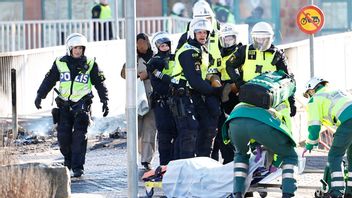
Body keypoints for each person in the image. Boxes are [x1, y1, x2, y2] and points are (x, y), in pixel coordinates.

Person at [34, 33, 109, 177]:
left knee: (79, 137)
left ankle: (77, 167)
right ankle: (67, 161)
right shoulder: (60, 62)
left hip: (82, 106)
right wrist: (39, 95)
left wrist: (105, 100)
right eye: (75, 48)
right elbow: (49, 80)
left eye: (81, 48)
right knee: (63, 137)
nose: (78, 51)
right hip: (64, 106)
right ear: (69, 48)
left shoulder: (91, 63)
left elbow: (100, 83)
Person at [172, 17, 228, 158]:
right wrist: (216, 91)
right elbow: (195, 80)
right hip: (182, 95)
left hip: (195, 94)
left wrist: (214, 80)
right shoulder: (188, 52)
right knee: (188, 131)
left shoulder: (201, 50)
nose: (203, 35)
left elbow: (204, 74)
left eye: (205, 32)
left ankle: (203, 163)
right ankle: (183, 167)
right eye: (199, 32)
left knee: (208, 127)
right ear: (192, 33)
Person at [222, 100, 298, 197]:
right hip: (262, 123)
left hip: (235, 121)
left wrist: (256, 145)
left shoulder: (252, 93)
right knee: (290, 156)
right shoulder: (282, 101)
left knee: (241, 156)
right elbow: (284, 140)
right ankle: (288, 193)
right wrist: (276, 163)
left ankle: (237, 193)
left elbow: (249, 130)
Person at [226, 21, 297, 118]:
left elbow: (289, 79)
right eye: (258, 38)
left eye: (264, 39)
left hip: (269, 98)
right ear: (253, 38)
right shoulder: (244, 50)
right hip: (248, 95)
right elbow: (229, 65)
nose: (261, 42)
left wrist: (292, 102)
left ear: (270, 38)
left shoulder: (277, 55)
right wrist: (239, 82)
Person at [302, 77, 352, 198]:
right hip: (347, 123)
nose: (309, 96)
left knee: (334, 156)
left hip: (348, 123)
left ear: (312, 90)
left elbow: (314, 126)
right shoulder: (337, 91)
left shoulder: (315, 99)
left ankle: (337, 192)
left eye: (308, 94)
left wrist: (310, 143)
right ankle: (350, 191)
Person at [120, 33, 157, 170]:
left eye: (143, 42)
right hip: (135, 99)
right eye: (138, 43)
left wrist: (148, 74)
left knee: (150, 130)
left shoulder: (154, 57)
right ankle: (133, 158)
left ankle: (147, 159)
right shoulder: (132, 58)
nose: (141, 45)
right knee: (136, 130)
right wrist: (135, 73)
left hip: (152, 98)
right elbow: (123, 74)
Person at [210, 23, 242, 164]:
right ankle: (227, 160)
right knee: (222, 128)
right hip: (222, 93)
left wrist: (235, 86)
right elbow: (213, 72)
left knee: (237, 128)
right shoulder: (218, 54)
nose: (228, 42)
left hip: (238, 93)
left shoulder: (241, 52)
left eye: (230, 38)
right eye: (225, 39)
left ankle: (239, 158)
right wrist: (216, 82)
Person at [146, 31, 177, 165]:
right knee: (164, 134)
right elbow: (156, 82)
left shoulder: (176, 58)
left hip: (176, 100)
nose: (165, 48)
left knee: (178, 132)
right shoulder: (154, 62)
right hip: (161, 102)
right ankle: (164, 164)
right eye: (162, 45)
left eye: (166, 45)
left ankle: (175, 162)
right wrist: (171, 83)